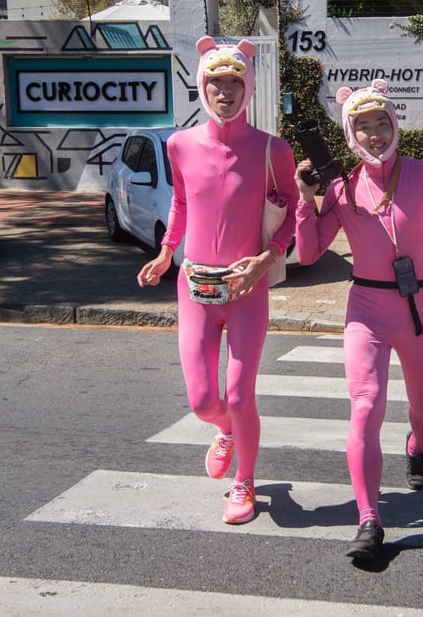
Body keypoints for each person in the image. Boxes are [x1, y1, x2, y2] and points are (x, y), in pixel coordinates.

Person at [293, 79, 423, 559]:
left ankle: (417, 443)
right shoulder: (342, 189)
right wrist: (307, 199)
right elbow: (306, 254)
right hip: (365, 310)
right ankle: (369, 519)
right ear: (350, 134)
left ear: (395, 125)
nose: (373, 134)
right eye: (362, 126)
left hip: (419, 311)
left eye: (381, 123)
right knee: (364, 407)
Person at [138, 37, 298, 525]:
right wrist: (167, 251)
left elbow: (291, 215)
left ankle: (244, 481)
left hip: (247, 288)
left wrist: (267, 258)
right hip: (195, 287)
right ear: (202, 86)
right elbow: (182, 205)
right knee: (204, 400)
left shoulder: (273, 149)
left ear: (248, 87)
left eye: (234, 83)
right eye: (215, 83)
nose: (225, 92)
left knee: (239, 393)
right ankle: (225, 431)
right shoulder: (179, 144)